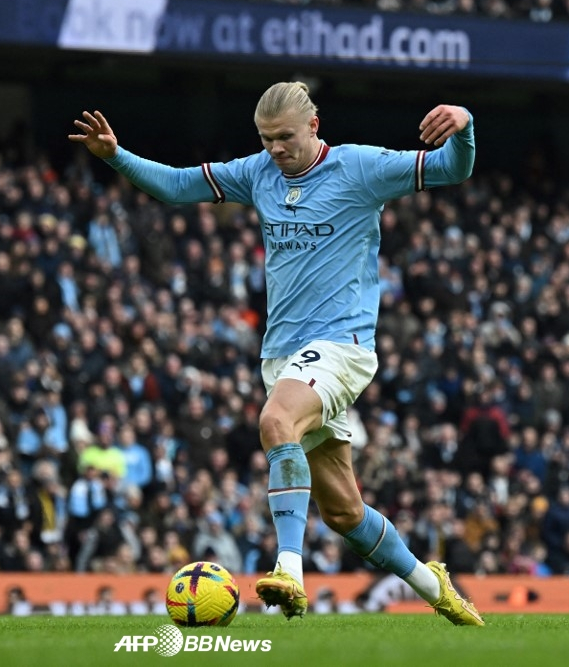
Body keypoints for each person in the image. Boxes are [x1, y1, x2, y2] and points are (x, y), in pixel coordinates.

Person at [70, 81, 483, 626]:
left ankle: (289, 568)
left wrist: (466, 124)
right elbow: (176, 187)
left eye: (284, 138)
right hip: (283, 357)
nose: (275, 150)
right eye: (266, 139)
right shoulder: (259, 172)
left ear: (314, 127)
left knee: (275, 421)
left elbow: (453, 168)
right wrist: (116, 156)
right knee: (343, 512)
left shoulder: (360, 168)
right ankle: (435, 586)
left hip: (342, 346)